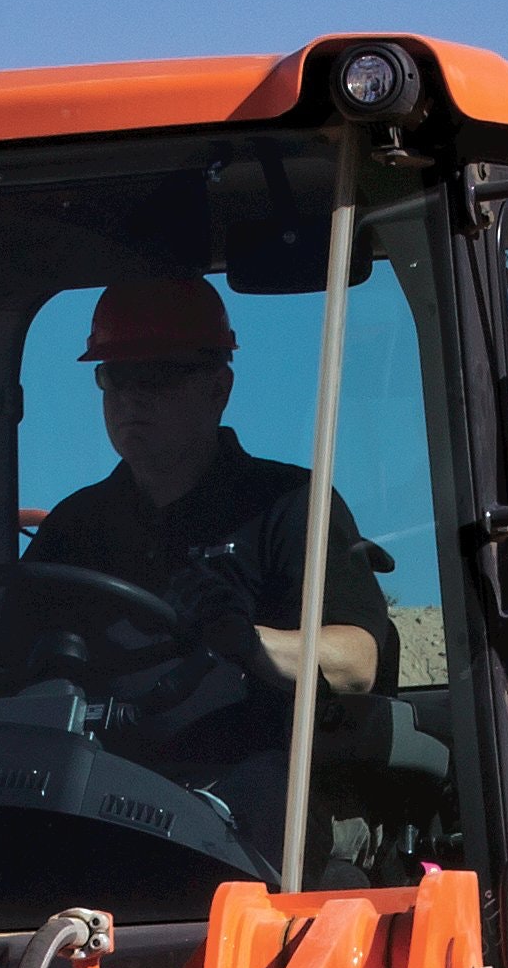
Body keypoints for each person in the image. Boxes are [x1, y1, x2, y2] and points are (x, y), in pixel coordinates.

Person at [21, 277, 395, 761]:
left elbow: (358, 660)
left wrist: (248, 641)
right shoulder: (74, 526)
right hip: (94, 785)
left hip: (252, 788)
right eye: (115, 376)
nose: (132, 397)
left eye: (157, 375)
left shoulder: (287, 503)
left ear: (218, 388)